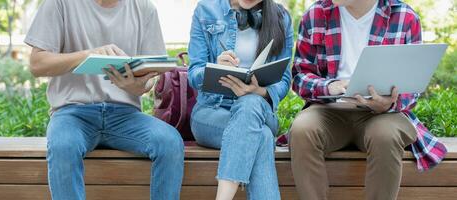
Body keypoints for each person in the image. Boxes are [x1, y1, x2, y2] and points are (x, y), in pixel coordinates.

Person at [25, 0, 184, 199]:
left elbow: (149, 80)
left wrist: (135, 86)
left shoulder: (144, 8)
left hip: (126, 116)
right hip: (72, 113)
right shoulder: (59, 4)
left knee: (170, 142)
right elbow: (37, 64)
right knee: (63, 145)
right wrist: (87, 55)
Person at [289, 0, 447, 199]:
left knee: (385, 136)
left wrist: (390, 102)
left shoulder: (405, 16)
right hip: (330, 109)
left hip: (383, 114)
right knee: (302, 129)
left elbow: (412, 85)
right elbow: (300, 75)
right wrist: (329, 86)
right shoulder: (316, 14)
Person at [187, 0, 293, 199]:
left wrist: (259, 91)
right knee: (261, 136)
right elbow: (193, 74)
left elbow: (285, 79)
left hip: (260, 110)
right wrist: (215, 67)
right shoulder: (206, 10)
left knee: (250, 103)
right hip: (212, 112)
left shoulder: (281, 17)